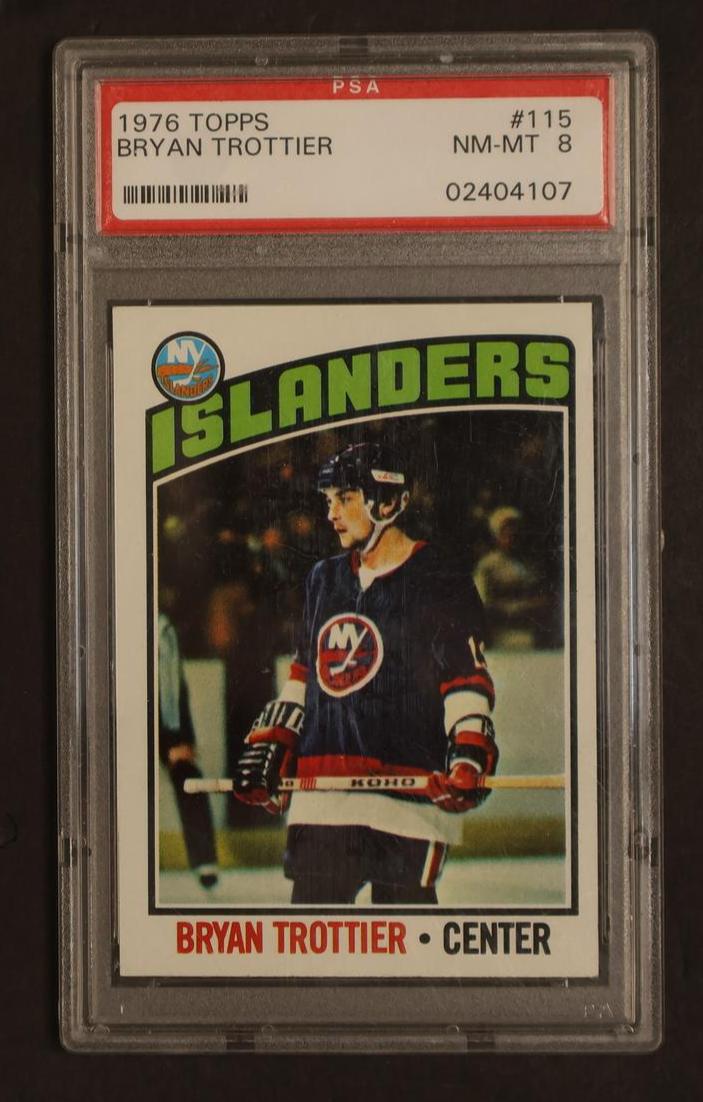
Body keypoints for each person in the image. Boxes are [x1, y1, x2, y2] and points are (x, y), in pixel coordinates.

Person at [232, 443, 498, 904]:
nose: (331, 513)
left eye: (345, 498)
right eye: (328, 500)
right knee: (314, 940)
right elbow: (305, 674)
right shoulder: (324, 579)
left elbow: (464, 678)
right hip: (324, 798)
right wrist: (276, 740)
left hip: (406, 799)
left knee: (405, 940)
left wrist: (468, 753)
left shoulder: (439, 577)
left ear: (387, 502)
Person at [158, 611, 219, 889]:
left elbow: (174, 685)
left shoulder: (164, 629)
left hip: (168, 725)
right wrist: (164, 744)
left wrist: (184, 738)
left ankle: (205, 859)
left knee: (190, 779)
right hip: (124, 724)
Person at [473, 506, 549, 649]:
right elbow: (482, 604)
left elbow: (542, 599)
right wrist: (514, 609)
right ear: (497, 535)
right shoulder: (487, 566)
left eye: (515, 531)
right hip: (501, 635)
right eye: (506, 532)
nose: (512, 535)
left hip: (532, 633)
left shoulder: (530, 565)